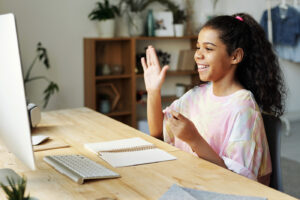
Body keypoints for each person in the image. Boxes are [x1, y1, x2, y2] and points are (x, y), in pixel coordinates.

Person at [141, 13, 286, 185]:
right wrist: (153, 91)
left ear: (235, 56)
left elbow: (237, 184)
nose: (197, 55)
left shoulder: (243, 108)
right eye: (198, 47)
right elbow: (158, 133)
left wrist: (194, 140)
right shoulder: (195, 96)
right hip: (191, 184)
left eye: (208, 49)